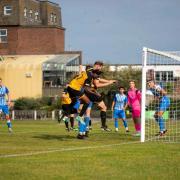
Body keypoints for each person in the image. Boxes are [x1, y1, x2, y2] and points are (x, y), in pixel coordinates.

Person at [83, 61, 117, 132]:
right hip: (90, 92)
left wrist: (109, 81)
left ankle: (86, 129)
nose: (100, 69)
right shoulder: (94, 72)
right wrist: (108, 83)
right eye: (100, 67)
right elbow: (97, 84)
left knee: (88, 111)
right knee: (99, 108)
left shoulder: (90, 71)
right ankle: (100, 126)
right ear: (97, 66)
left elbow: (98, 79)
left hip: (86, 92)